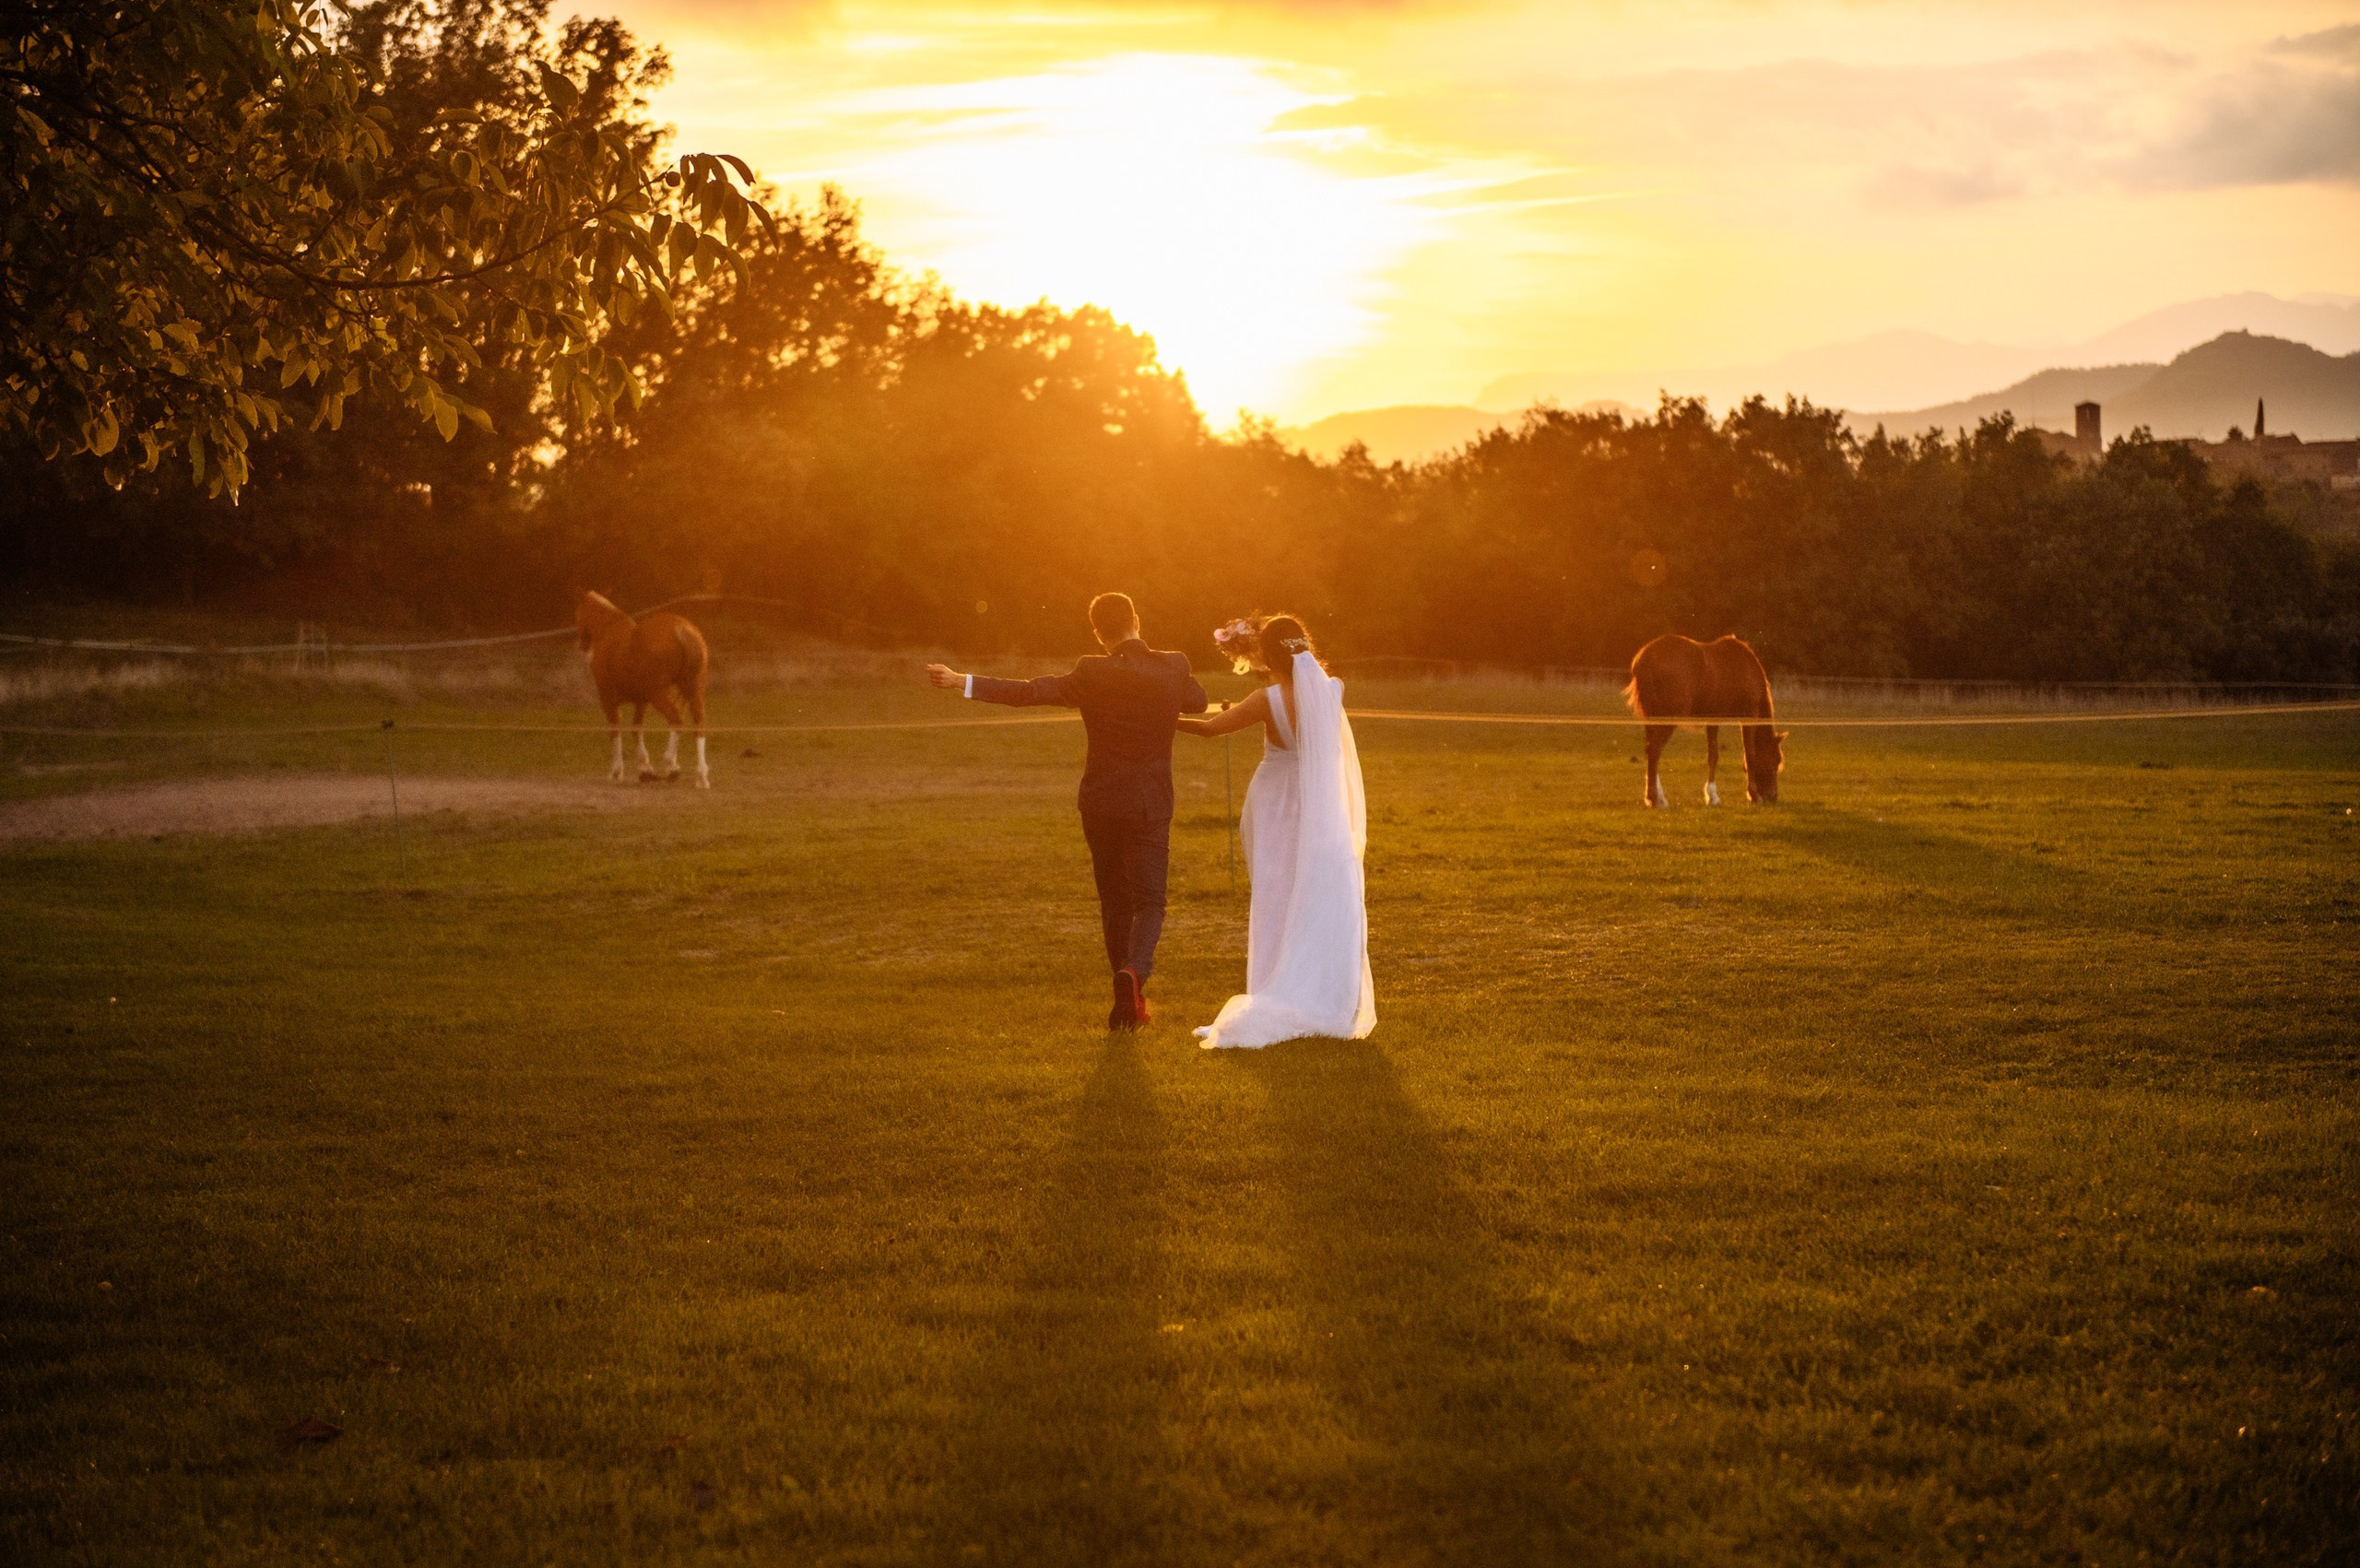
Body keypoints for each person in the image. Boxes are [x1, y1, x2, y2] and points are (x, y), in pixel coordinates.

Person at [926, 593, 1208, 1031]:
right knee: (1150, 900)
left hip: (1100, 803)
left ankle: (1128, 1001)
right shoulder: (1172, 665)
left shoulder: (1091, 672)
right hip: (1150, 802)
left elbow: (1029, 692)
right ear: (1136, 619)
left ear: (1097, 633)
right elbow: (1197, 702)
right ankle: (1134, 974)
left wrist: (963, 679)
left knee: (1114, 900)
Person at [1174, 614, 1375, 1048]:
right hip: (1322, 806)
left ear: (1265, 655)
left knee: (1275, 893)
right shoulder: (1332, 691)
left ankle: (1271, 988)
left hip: (1277, 804)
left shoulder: (1265, 699)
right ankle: (1324, 994)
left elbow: (1210, 730)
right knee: (1319, 894)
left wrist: (1160, 718)